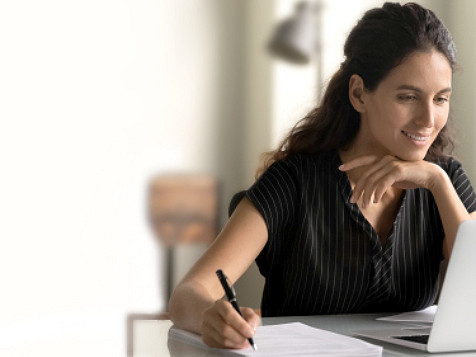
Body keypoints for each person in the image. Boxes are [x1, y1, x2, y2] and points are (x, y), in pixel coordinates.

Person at [169, 1, 476, 350]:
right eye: (408, 97)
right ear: (359, 93)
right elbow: (187, 294)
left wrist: (436, 182)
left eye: (440, 99)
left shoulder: (444, 180)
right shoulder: (294, 182)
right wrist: (213, 316)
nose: (427, 120)